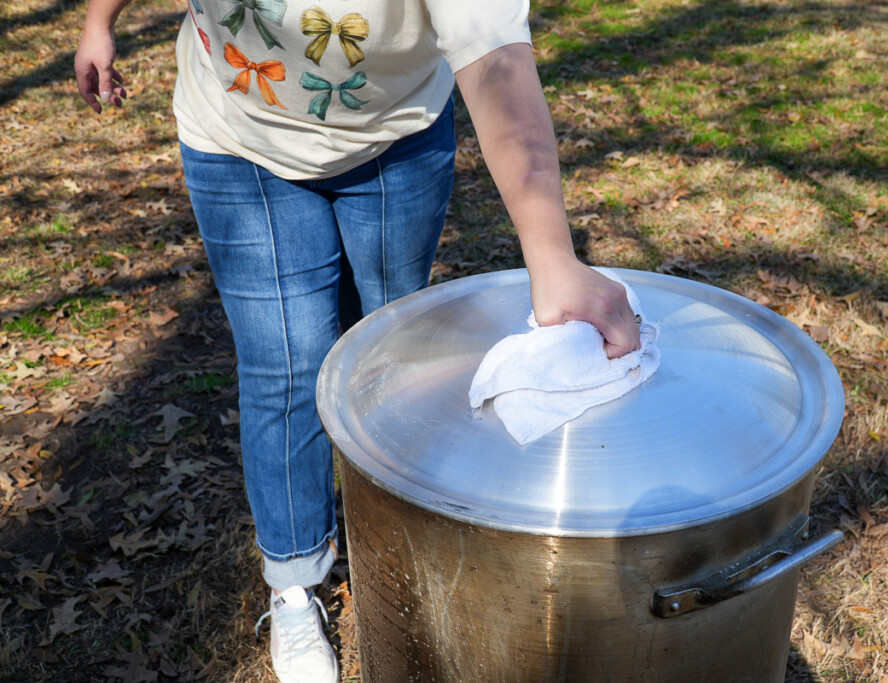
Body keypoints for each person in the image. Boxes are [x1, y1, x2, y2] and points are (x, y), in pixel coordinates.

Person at [75, 1, 641, 681]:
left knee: (389, 357)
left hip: (396, 140)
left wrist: (552, 259)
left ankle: (398, 550)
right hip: (239, 138)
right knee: (286, 368)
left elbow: (494, 58)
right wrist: (98, 21)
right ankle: (293, 582)